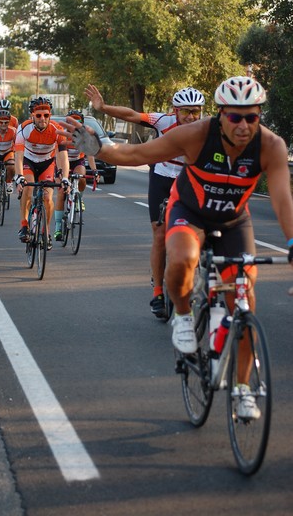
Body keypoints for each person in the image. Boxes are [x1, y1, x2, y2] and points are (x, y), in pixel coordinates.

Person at [66, 76, 293, 419]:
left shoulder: (271, 146)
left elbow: (282, 200)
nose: (244, 125)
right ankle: (183, 316)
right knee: (184, 258)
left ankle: (243, 389)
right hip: (189, 211)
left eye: (252, 117)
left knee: (244, 302)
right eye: (235, 117)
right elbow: (139, 153)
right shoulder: (197, 135)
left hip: (233, 222)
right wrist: (103, 150)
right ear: (221, 115)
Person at [85, 84, 205, 320]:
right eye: (186, 111)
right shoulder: (162, 121)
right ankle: (158, 292)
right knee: (159, 234)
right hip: (162, 176)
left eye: (196, 111)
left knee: (198, 231)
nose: (191, 116)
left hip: (188, 179)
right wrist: (103, 107)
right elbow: (131, 115)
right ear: (175, 110)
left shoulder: (206, 128)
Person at [14, 96, 70, 250]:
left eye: (46, 115)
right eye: (38, 115)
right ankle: (24, 225)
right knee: (28, 187)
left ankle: (46, 231)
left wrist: (65, 177)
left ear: (50, 115)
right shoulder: (24, 128)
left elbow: (63, 156)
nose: (42, 119)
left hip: (47, 163)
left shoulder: (57, 130)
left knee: (47, 197)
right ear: (32, 116)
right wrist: (18, 176)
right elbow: (18, 156)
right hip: (28, 161)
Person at [53, 110, 100, 241]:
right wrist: (60, 172)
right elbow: (58, 155)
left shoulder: (84, 137)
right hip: (62, 162)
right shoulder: (63, 135)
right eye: (71, 121)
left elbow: (90, 155)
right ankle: (57, 227)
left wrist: (95, 170)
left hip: (77, 161)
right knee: (61, 192)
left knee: (82, 178)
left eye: (78, 122)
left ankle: (78, 197)